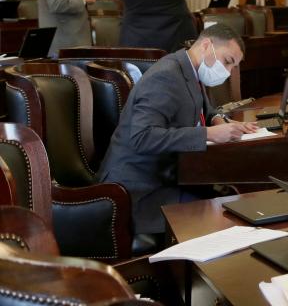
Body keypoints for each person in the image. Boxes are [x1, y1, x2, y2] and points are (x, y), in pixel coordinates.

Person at [97, 24, 258, 236]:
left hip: (170, 176)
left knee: (231, 203)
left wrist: (219, 120)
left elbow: (203, 108)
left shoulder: (189, 69)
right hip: (138, 190)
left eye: (233, 67)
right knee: (223, 218)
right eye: (227, 62)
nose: (227, 73)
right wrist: (208, 134)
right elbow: (141, 136)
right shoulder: (165, 76)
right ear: (207, 45)